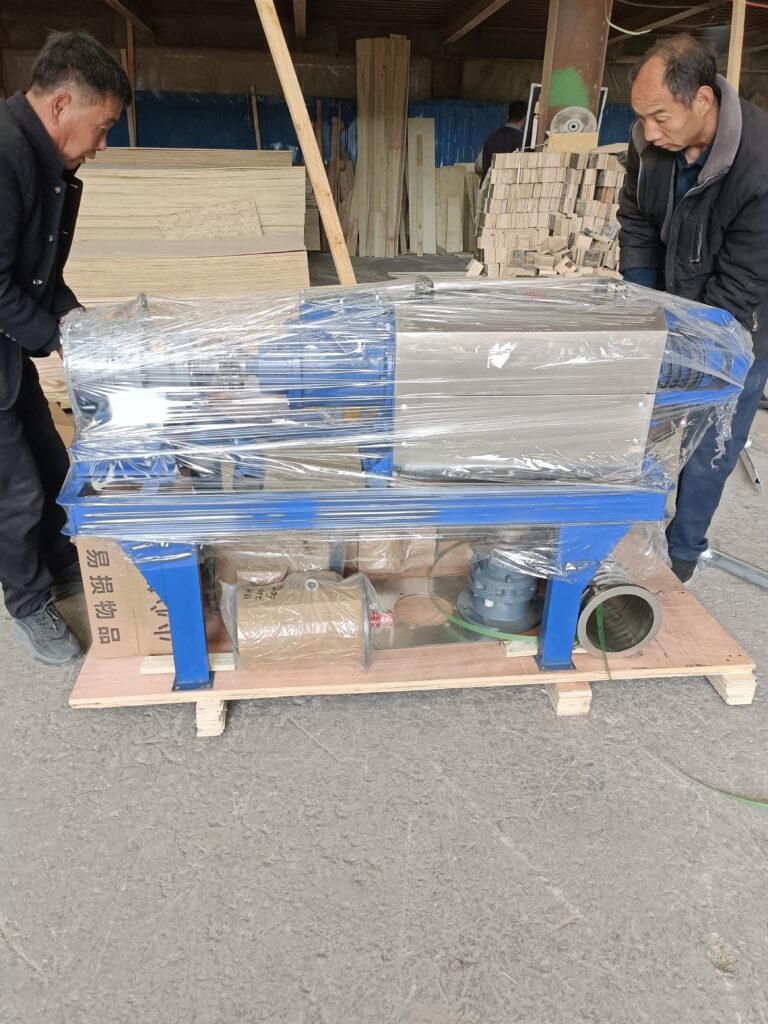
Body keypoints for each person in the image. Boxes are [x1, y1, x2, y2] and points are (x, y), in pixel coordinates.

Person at [0, 31, 131, 664]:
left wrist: (84, 328)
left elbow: (38, 278)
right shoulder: (4, 155)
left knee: (52, 464)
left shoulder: (47, 164)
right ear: (60, 105)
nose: (101, 145)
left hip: (6, 347)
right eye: (102, 128)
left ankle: (59, 562)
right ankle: (27, 602)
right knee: (15, 491)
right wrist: (59, 341)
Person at [618, 35, 768, 582]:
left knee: (710, 444)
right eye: (642, 116)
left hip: (742, 325)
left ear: (703, 99)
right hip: (668, 306)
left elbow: (743, 280)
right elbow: (636, 221)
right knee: (638, 425)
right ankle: (621, 538)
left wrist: (693, 347)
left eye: (660, 117)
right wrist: (644, 304)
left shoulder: (759, 163)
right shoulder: (648, 143)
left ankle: (681, 558)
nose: (649, 131)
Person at [475, 100, 528, 182]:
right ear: (524, 118)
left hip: (488, 187)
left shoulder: (491, 137)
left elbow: (478, 167)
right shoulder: (524, 141)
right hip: (509, 187)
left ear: (507, 116)